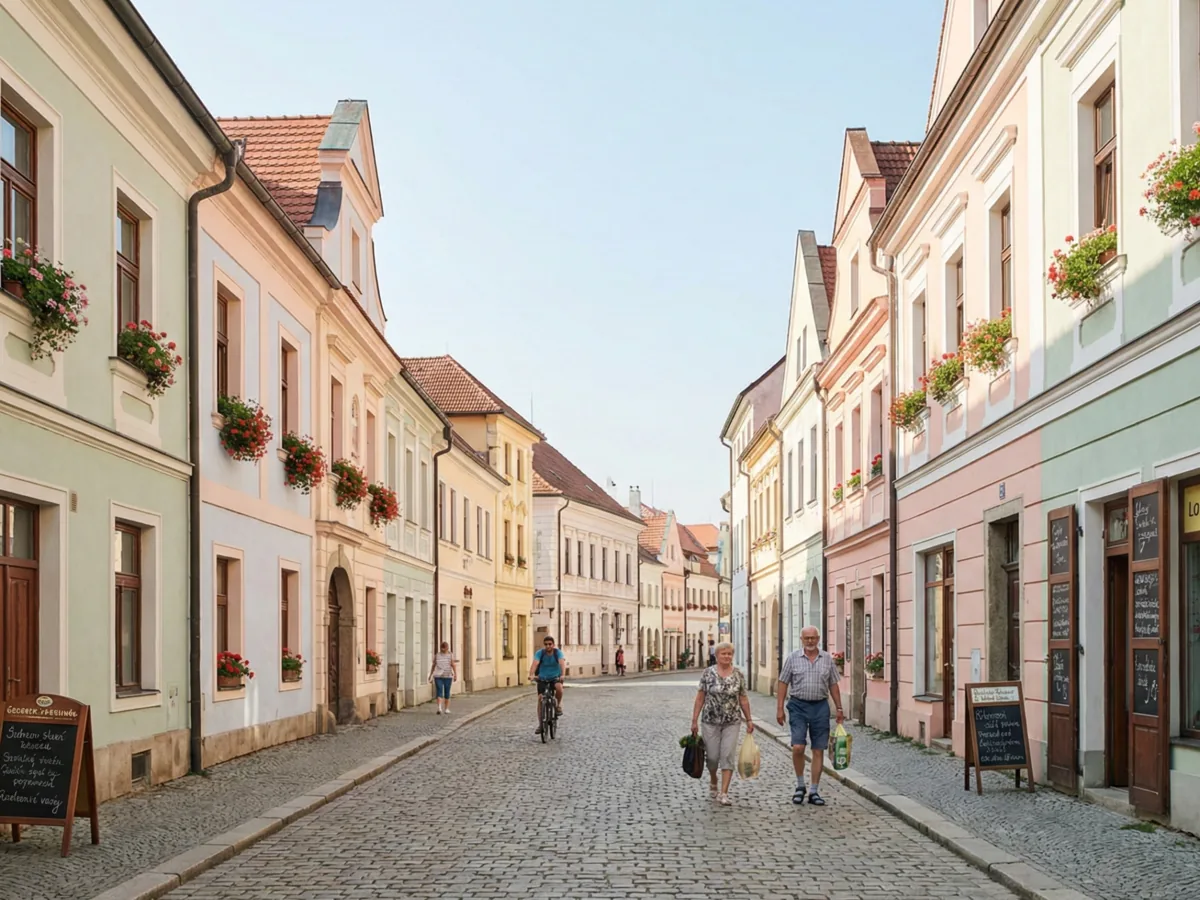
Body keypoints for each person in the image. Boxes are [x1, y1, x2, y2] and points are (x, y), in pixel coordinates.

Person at [776, 626, 843, 806]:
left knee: (818, 749)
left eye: (813, 638)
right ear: (802, 639)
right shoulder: (793, 658)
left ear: (818, 639)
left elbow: (834, 685)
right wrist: (780, 708)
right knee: (798, 746)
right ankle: (800, 785)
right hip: (798, 705)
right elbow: (783, 682)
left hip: (820, 706)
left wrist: (839, 708)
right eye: (807, 638)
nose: (810, 641)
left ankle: (814, 790)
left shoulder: (827, 659)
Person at [690, 641, 754, 806]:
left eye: (729, 654)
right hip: (710, 721)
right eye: (723, 654)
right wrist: (694, 720)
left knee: (727, 755)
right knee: (712, 757)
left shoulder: (738, 674)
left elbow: (743, 698)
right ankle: (713, 779)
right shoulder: (707, 673)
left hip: (732, 721)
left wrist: (749, 719)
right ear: (716, 656)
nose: (727, 656)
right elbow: (700, 697)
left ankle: (724, 793)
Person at [529, 635, 566, 734]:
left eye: (550, 644)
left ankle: (558, 705)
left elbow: (562, 663)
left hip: (555, 678)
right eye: (546, 644)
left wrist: (562, 675)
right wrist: (531, 675)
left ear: (553, 645)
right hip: (542, 678)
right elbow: (535, 664)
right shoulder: (540, 653)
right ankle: (541, 725)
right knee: (540, 699)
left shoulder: (557, 653)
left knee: (559, 688)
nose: (548, 646)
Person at [428, 641, 457, 715]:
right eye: (442, 648)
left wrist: (455, 674)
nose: (443, 650)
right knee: (441, 691)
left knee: (445, 692)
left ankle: (444, 708)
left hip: (447, 676)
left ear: (447, 648)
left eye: (444, 648)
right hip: (439, 676)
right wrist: (431, 674)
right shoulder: (438, 655)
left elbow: (453, 665)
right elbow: (434, 665)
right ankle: (441, 708)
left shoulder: (449, 655)